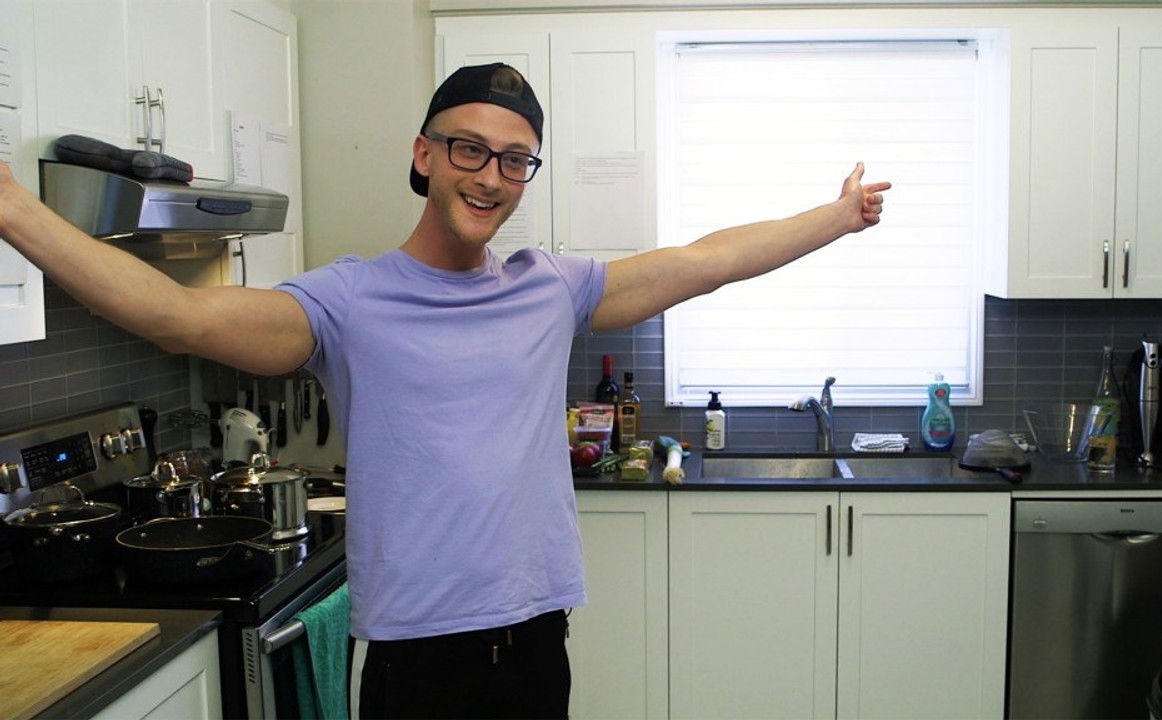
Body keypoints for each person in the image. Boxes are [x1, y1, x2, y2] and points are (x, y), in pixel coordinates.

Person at [0, 62, 889, 718]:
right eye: (470, 149)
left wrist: (835, 217)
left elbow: (705, 262)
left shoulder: (553, 287)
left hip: (536, 637)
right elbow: (178, 318)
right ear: (424, 154)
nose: (491, 176)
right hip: (416, 657)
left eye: (515, 160)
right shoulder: (346, 301)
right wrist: (13, 208)